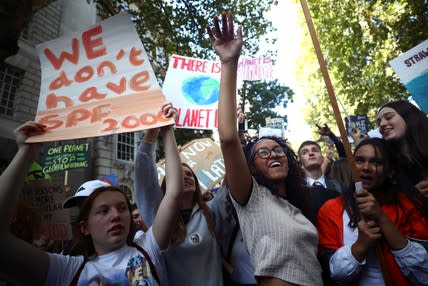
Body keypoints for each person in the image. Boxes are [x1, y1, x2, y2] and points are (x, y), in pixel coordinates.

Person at [0, 104, 183, 286]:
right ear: (84, 226)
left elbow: (173, 193)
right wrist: (25, 153)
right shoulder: (65, 270)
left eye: (121, 208)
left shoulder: (148, 249)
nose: (115, 216)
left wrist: (167, 131)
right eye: (103, 211)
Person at [207, 12, 323, 285]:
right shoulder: (252, 198)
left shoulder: (296, 208)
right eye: (262, 152)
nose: (273, 154)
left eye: (278, 150)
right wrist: (229, 62)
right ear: (251, 167)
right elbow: (227, 138)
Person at [135, 106, 256, 285]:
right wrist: (152, 132)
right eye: (179, 175)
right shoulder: (158, 214)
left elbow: (233, 174)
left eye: (190, 174)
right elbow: (144, 174)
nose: (186, 177)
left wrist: (236, 134)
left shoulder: (211, 211)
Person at [317, 138, 428, 285]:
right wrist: (361, 245)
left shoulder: (408, 205)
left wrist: (382, 218)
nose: (366, 167)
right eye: (359, 160)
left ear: (390, 170)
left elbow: (426, 275)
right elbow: (335, 275)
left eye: (377, 162)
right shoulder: (330, 210)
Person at [377, 99, 428, 260]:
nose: (382, 124)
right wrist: (413, 196)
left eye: (388, 117)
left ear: (408, 116)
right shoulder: (390, 168)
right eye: (379, 121)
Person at [297, 140, 342, 225]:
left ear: (322, 157)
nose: (311, 153)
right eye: (305, 152)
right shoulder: (297, 190)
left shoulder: (339, 186)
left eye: (315, 150)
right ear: (300, 162)